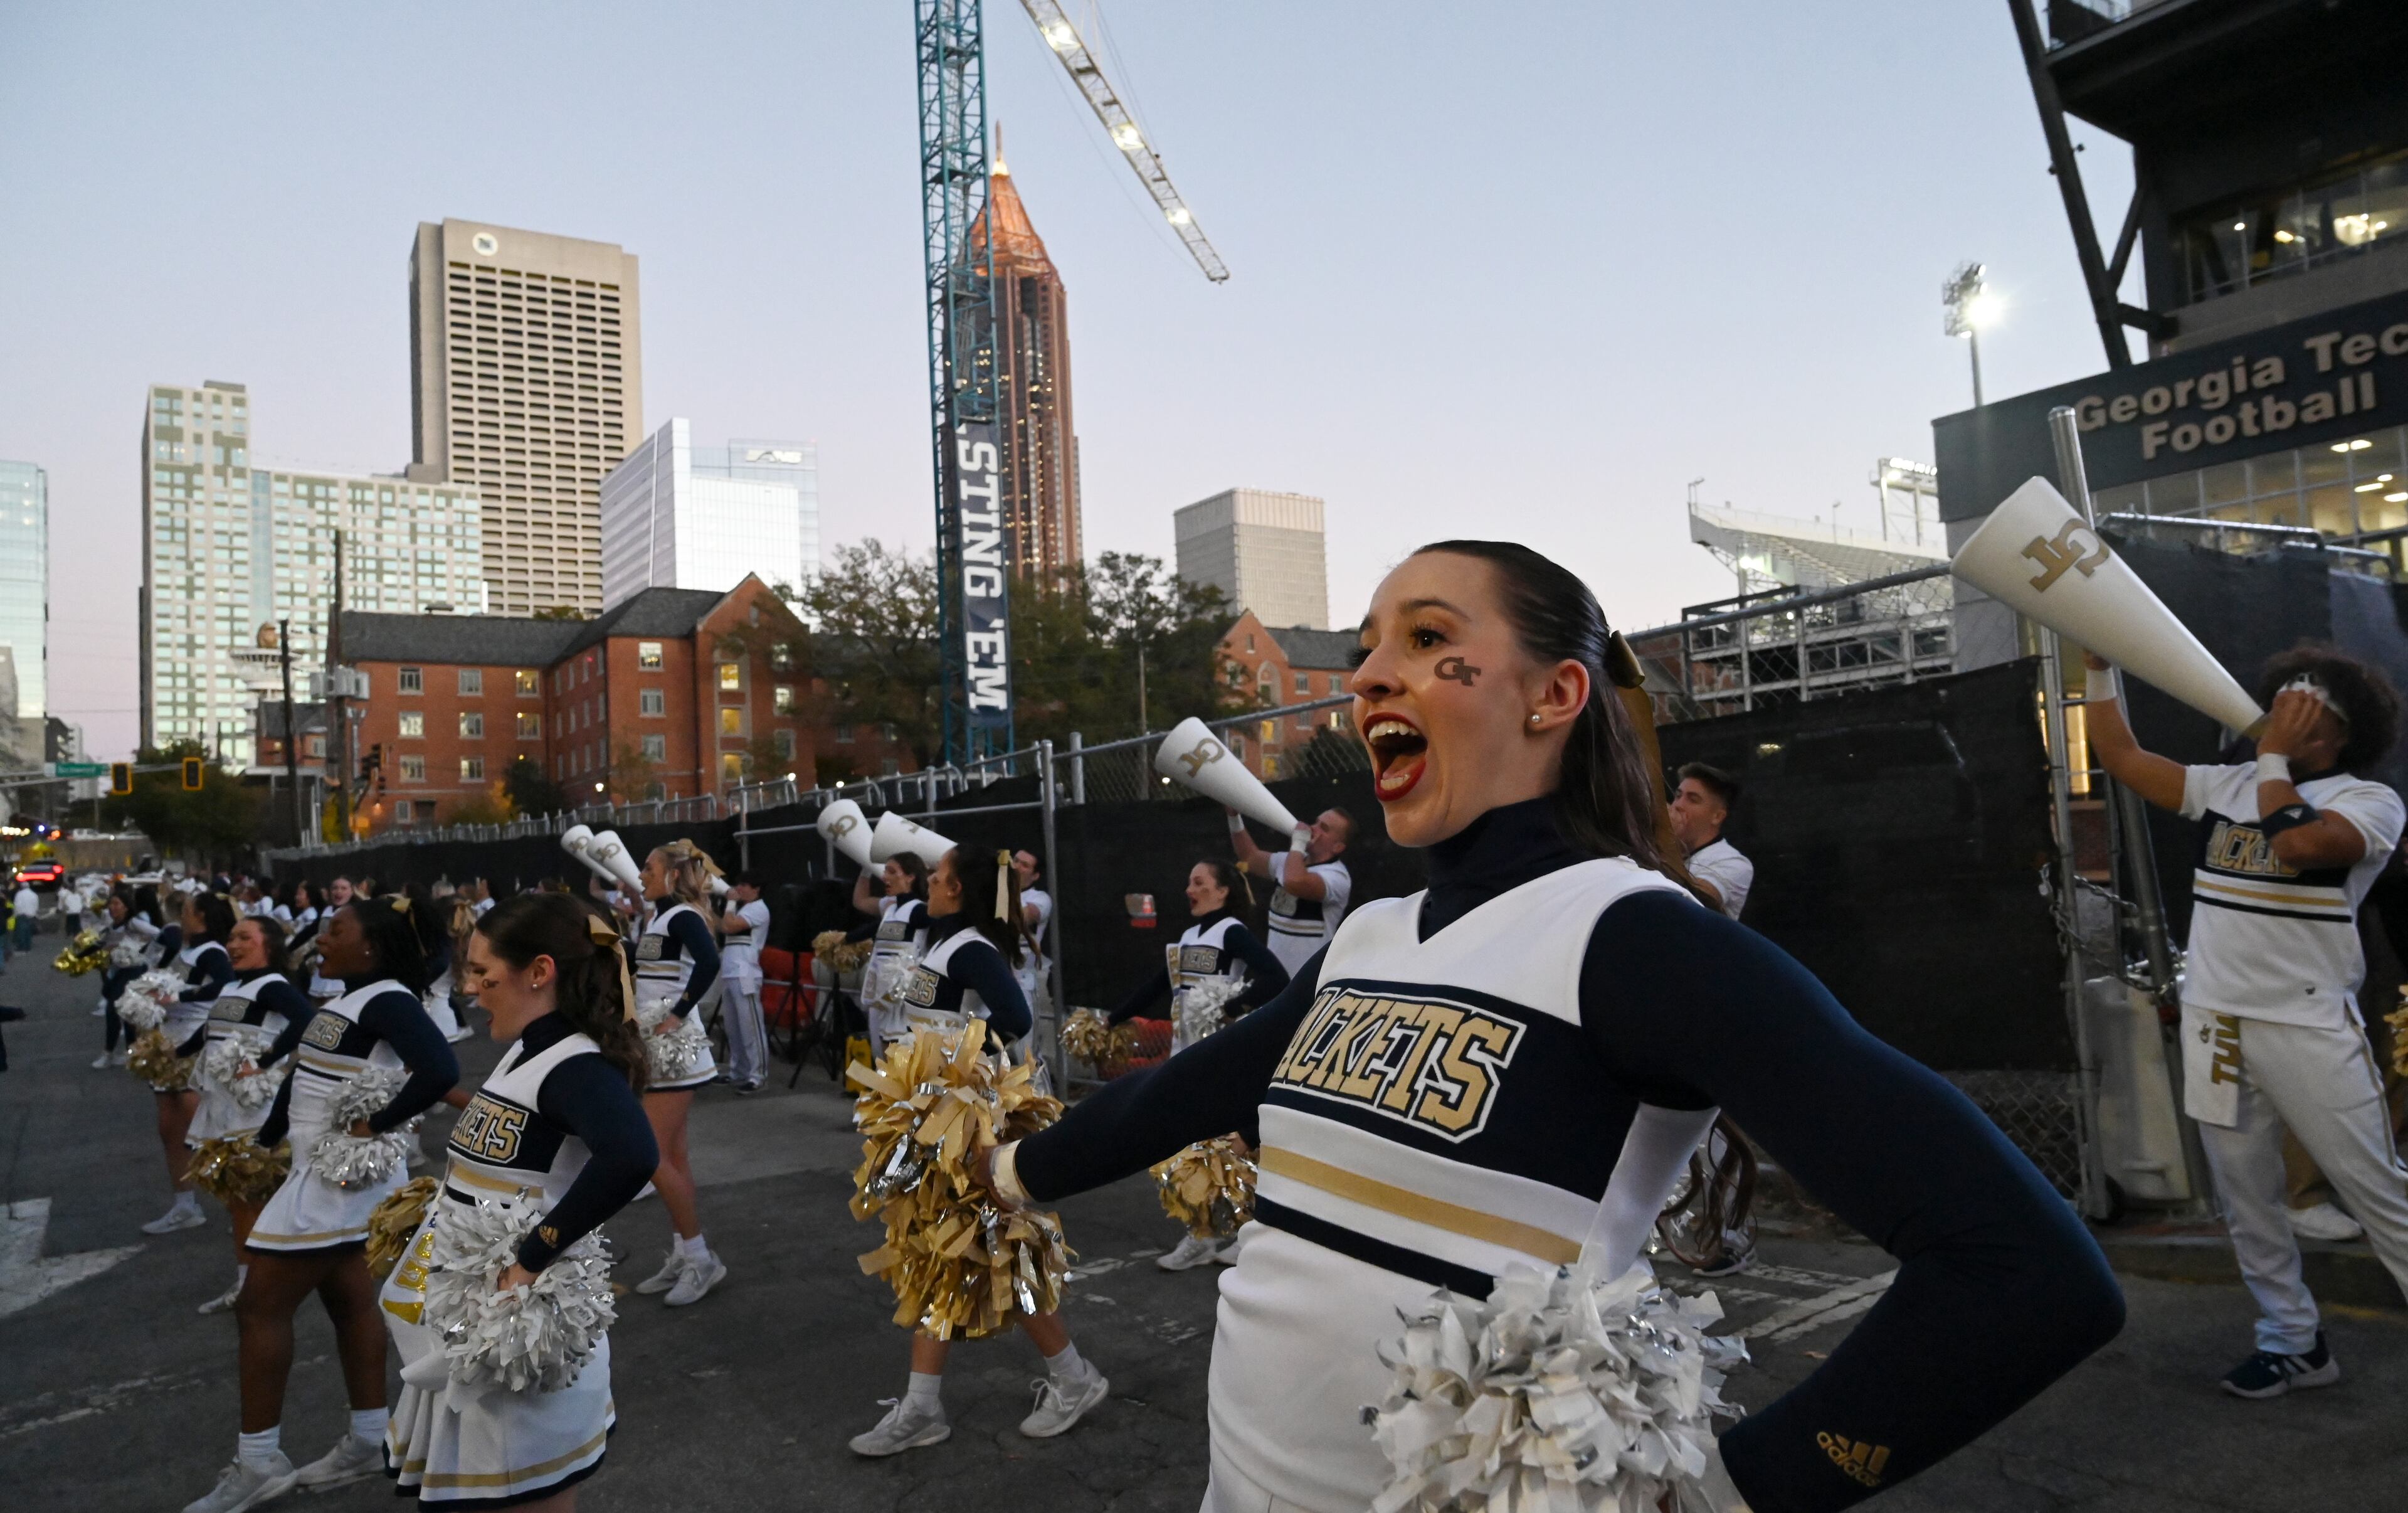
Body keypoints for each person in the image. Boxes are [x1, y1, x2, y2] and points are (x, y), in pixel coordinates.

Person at [982, 539, 2123, 1513]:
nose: (1375, 673)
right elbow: (1194, 1089)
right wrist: (1005, 1167)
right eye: (1374, 646)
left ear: (1554, 695)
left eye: (1428, 640)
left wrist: (1735, 1493)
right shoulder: (1371, 936)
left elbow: (2026, 1273)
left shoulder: (1634, 938)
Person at [2087, 642, 2408, 1398]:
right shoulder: (2231, 783)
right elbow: (2123, 756)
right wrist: (2101, 669)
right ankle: (2292, 1340)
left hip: (2306, 1027)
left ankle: (2297, 1337)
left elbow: (2298, 845)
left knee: (2377, 1192)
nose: (2287, 711)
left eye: (2307, 706)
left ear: (2338, 735)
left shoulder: (2370, 801)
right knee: (2248, 1198)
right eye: (2283, 698)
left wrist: (2270, 762)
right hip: (2216, 1022)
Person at [379, 892, 659, 1509]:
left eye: (484, 973)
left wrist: (532, 1257)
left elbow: (634, 1156)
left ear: (539, 971)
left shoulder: (575, 1065)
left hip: (517, 1341)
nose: (472, 990)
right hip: (476, 1335)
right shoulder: (525, 1049)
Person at [183, 895, 459, 1513]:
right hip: (315, 1173)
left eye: (337, 930)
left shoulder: (389, 998)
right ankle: (369, 1440)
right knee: (350, 1304)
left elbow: (439, 1068)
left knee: (259, 1307)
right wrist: (263, 1144)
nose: (323, 939)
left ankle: (259, 1463)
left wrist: (377, 1125)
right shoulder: (344, 1001)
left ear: (371, 947)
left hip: (337, 1182)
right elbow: (303, 1080)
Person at [848, 846, 1109, 1458]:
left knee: (991, 1248)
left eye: (937, 880)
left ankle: (1071, 1379)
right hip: (933, 1120)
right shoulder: (942, 942)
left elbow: (1015, 1018)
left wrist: (959, 1069)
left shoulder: (970, 949)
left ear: (958, 891)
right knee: (942, 1253)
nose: (930, 887)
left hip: (965, 1125)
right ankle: (926, 1404)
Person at [1106, 857, 1291, 1271]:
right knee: (1195, 1147)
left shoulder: (1233, 932)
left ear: (1222, 890)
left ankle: (1224, 1233)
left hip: (1224, 1056)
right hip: (1186, 1053)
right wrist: (1115, 1016)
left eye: (1199, 881)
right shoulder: (1189, 936)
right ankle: (1215, 1231)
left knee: (1227, 1147)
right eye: (1189, 881)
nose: (1190, 889)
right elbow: (1160, 984)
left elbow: (1275, 978)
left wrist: (1232, 1007)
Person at [186, 916, 312, 1314]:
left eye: (245, 937)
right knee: (240, 1202)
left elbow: (307, 1020)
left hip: (253, 1112)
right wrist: (173, 1052)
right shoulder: (232, 986)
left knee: (253, 1200)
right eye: (231, 936)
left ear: (269, 946)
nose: (234, 944)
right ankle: (251, 1285)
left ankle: (261, 1289)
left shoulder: (271, 985)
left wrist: (268, 1058)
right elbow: (210, 1032)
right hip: (223, 1109)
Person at [626, 840, 729, 1308]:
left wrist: (679, 1013)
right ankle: (683, 1253)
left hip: (674, 1050)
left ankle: (701, 1258)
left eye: (648, 867)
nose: (641, 873)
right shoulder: (657, 918)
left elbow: (709, 962)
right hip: (657, 1047)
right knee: (675, 1157)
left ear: (671, 874)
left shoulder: (683, 915)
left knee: (649, 1156)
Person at [143, 892, 240, 1237]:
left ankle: (241, 1208)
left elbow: (227, 986)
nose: (180, 918)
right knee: (170, 1131)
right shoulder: (185, 950)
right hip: (168, 1046)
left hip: (195, 1046)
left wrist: (181, 997)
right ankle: (185, 1207)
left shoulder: (212, 951)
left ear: (201, 917)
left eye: (185, 912)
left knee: (204, 1133)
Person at [1227, 805, 1354, 978]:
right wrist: (1234, 817)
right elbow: (1249, 857)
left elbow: (1294, 882)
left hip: (1306, 983)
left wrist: (1299, 843)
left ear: (1338, 847)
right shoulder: (1290, 861)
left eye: (1323, 828)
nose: (1313, 829)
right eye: (1316, 822)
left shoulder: (1337, 876)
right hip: (1276, 981)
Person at [850, 852, 932, 1058]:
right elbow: (874, 927)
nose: (885, 876)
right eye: (885, 870)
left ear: (910, 877)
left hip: (900, 996)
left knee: (896, 1053)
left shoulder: (918, 911)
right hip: (879, 993)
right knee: (879, 1053)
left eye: (892, 871)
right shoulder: (891, 909)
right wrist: (843, 940)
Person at [1670, 761, 1753, 921]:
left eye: (1693, 800)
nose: (1678, 805)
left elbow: (1692, 903)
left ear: (1717, 817)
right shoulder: (1663, 849)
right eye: (1678, 796)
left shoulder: (1733, 862)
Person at [717, 871, 773, 1094]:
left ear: (756, 889)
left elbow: (730, 926)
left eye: (744, 885)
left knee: (751, 1027)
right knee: (733, 1028)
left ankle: (758, 1075)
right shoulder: (741, 909)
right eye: (738, 885)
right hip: (730, 972)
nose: (739, 889)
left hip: (746, 973)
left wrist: (730, 902)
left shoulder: (759, 908)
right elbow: (722, 926)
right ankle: (737, 1072)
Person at [12, 874, 40, 952]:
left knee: (21, 932)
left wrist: (15, 914)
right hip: (31, 915)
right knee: (29, 932)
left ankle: (22, 946)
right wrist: (35, 914)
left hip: (22, 915)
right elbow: (36, 905)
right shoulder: (34, 895)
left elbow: (17, 905)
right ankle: (28, 946)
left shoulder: (19, 894)